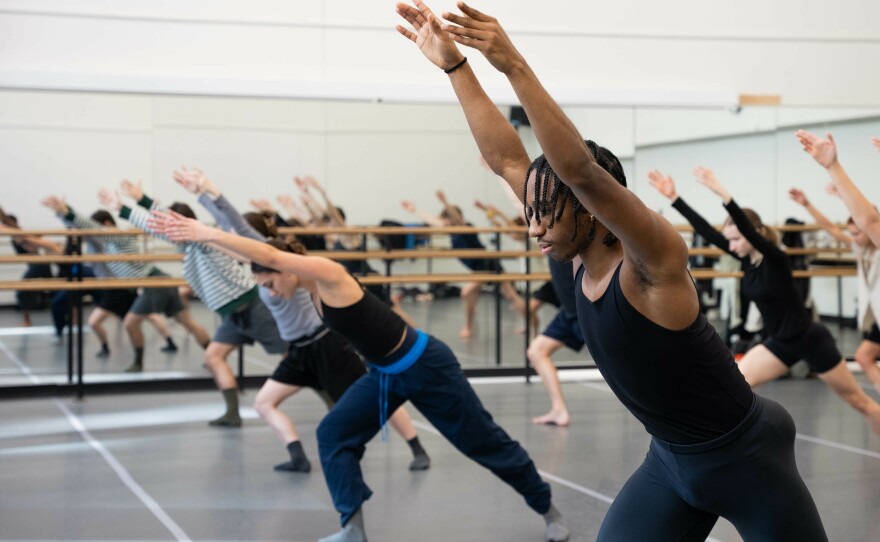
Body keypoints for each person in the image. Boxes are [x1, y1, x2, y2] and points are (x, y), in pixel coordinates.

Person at [396, 1, 826, 539]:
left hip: (745, 457)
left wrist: (514, 66)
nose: (535, 226)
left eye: (547, 214)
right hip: (670, 464)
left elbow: (578, 170)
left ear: (590, 207)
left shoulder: (651, 264)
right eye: (531, 212)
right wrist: (456, 68)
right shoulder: (575, 253)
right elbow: (508, 160)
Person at [149, 208, 570, 542]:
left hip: (426, 365)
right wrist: (206, 233)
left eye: (271, 283)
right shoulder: (300, 287)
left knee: (483, 443)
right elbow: (261, 256)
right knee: (333, 434)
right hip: (384, 373)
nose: (269, 291)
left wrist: (206, 231)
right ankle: (353, 528)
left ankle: (547, 508)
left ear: (290, 269)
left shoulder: (329, 275)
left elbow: (271, 256)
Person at [172, 167, 430, 472]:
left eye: (236, 237)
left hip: (326, 345)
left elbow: (235, 225)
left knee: (375, 398)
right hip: (298, 351)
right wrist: (196, 213)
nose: (232, 238)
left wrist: (209, 189)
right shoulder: (255, 263)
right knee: (264, 404)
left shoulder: (278, 261)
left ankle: (417, 447)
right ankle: (297, 456)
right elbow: (223, 235)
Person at [648, 167, 880, 435]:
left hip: (810, 340)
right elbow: (706, 231)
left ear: (753, 233)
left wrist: (721, 191)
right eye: (730, 240)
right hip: (780, 343)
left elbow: (746, 227)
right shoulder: (747, 261)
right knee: (736, 385)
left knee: (859, 402)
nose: (731, 246)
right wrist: (674, 197)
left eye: (737, 239)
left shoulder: (776, 259)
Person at [98, 182, 287, 426]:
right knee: (213, 357)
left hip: (252, 307)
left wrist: (133, 205)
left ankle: (331, 397)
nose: (170, 231)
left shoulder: (202, 240)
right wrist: (131, 205)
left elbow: (163, 225)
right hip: (232, 314)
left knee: (293, 358)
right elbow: (163, 225)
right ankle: (232, 413)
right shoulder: (194, 245)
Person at [42, 196, 209, 362]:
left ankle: (138, 362)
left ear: (107, 225)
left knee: (131, 323)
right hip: (157, 281)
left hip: (153, 282)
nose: (96, 232)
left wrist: (68, 212)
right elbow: (82, 229)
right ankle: (211, 354)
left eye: (99, 228)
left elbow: (90, 227)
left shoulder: (118, 237)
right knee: (187, 323)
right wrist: (63, 212)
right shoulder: (107, 244)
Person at [796, 130, 880, 393]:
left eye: (857, 234)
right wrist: (809, 203)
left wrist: (833, 167)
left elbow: (869, 221)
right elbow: (849, 225)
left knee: (865, 356)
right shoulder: (860, 247)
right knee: (865, 356)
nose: (855, 237)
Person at [401, 191, 533, 338]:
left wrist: (445, 203)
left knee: (470, 292)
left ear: (453, 219)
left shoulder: (465, 227)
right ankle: (473, 322)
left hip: (486, 266)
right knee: (507, 295)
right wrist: (414, 211)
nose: (443, 223)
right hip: (480, 268)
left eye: (447, 220)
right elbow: (434, 220)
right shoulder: (452, 231)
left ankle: (470, 327)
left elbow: (456, 218)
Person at [0, 207, 59, 326]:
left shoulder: (18, 235)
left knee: (21, 293)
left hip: (38, 265)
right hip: (41, 265)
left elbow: (5, 219)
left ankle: (27, 321)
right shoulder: (19, 235)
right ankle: (70, 316)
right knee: (55, 291)